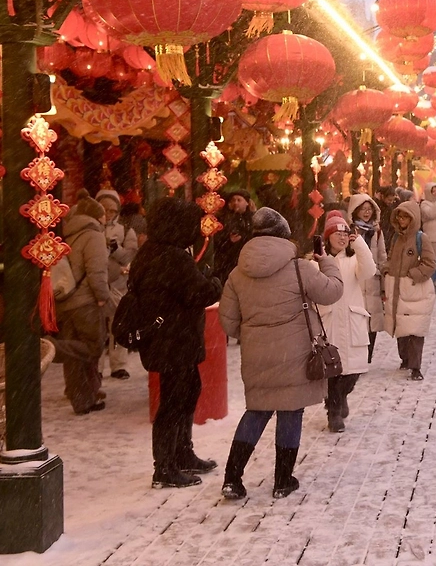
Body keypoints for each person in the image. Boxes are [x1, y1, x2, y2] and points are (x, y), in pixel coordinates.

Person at [218, 207, 343, 500]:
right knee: (290, 410)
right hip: (294, 353)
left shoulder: (237, 274)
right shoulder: (300, 268)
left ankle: (232, 479)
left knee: (256, 412)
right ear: (284, 235)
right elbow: (332, 292)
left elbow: (229, 322)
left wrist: (256, 334)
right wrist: (326, 263)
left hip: (256, 355)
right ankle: (282, 480)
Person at [128, 196, 223, 488]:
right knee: (174, 401)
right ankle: (165, 466)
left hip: (167, 338)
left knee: (186, 391)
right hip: (174, 339)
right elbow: (201, 293)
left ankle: (182, 453)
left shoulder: (150, 252)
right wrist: (214, 281)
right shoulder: (172, 257)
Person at [54, 191, 114, 415]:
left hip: (65, 300)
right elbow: (97, 273)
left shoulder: (67, 233)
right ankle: (52, 348)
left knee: (75, 355)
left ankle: (83, 397)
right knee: (92, 347)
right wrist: (102, 297)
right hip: (85, 301)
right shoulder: (93, 235)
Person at [320, 211, 374, 433]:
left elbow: (369, 271)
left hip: (353, 320)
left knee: (353, 370)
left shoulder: (353, 259)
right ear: (328, 236)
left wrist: (359, 242)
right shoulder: (319, 260)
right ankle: (333, 412)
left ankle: (341, 397)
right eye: (337, 233)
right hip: (329, 321)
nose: (342, 238)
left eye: (345, 233)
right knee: (333, 371)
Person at [382, 199, 436, 381]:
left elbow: (430, 263)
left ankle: (415, 366)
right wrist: (387, 268)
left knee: (415, 330)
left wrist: (414, 274)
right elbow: (391, 257)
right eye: (400, 216)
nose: (402, 220)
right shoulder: (396, 238)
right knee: (401, 328)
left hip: (415, 292)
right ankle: (405, 359)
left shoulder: (421, 238)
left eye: (406, 216)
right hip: (397, 289)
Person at [97, 188, 138, 380]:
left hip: (118, 284)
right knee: (97, 328)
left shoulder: (125, 229)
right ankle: (96, 366)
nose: (108, 214)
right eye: (104, 209)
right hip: (96, 283)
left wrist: (115, 249)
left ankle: (118, 365)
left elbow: (130, 255)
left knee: (117, 325)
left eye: (112, 210)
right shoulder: (91, 228)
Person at [347, 192, 388, 363]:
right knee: (356, 319)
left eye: (369, 209)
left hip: (372, 280)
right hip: (355, 279)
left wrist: (382, 275)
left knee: (371, 320)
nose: (366, 212)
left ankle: (367, 356)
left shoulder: (376, 232)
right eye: (363, 209)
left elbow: (382, 255)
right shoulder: (349, 231)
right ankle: (359, 356)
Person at [214, 189, 254, 286]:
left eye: (239, 200)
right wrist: (228, 241)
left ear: (247, 203)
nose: (236, 203)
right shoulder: (224, 219)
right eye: (233, 200)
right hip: (228, 261)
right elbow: (217, 240)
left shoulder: (253, 219)